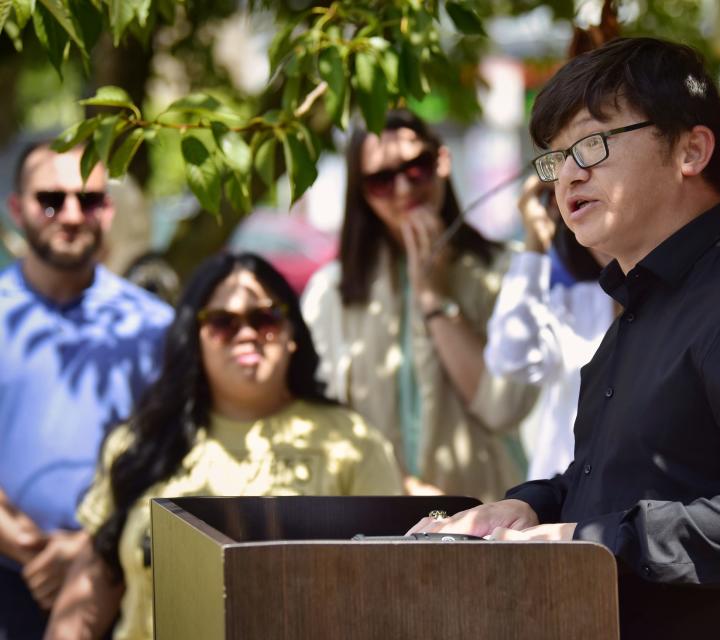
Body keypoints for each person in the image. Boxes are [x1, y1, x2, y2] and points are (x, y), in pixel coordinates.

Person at [410, 37, 720, 639]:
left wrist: (586, 540)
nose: (568, 174)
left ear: (691, 150)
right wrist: (532, 506)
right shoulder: (638, 301)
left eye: (592, 143)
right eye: (556, 157)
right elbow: (615, 480)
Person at [44, 252, 404, 639]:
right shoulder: (141, 442)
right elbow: (95, 583)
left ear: (293, 334)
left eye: (264, 318)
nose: (246, 334)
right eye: (222, 323)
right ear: (194, 339)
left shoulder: (351, 442)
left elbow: (390, 590)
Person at [301, 109, 537, 503]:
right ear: (361, 193)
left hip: (483, 513)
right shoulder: (333, 292)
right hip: (375, 513)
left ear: (441, 161)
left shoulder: (504, 271)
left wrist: (433, 296)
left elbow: (502, 406)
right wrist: (400, 485)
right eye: (380, 180)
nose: (404, 189)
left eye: (416, 168)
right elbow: (325, 421)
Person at [0, 141, 172, 639]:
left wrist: (90, 543)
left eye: (89, 200)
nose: (71, 215)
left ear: (109, 210)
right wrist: (25, 546)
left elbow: (170, 453)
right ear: (17, 210)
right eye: (51, 199)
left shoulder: (155, 327)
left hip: (114, 580)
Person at [484, 175, 615, 479]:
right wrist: (534, 244)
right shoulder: (577, 304)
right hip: (559, 505)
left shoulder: (685, 306)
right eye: (582, 209)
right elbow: (509, 357)